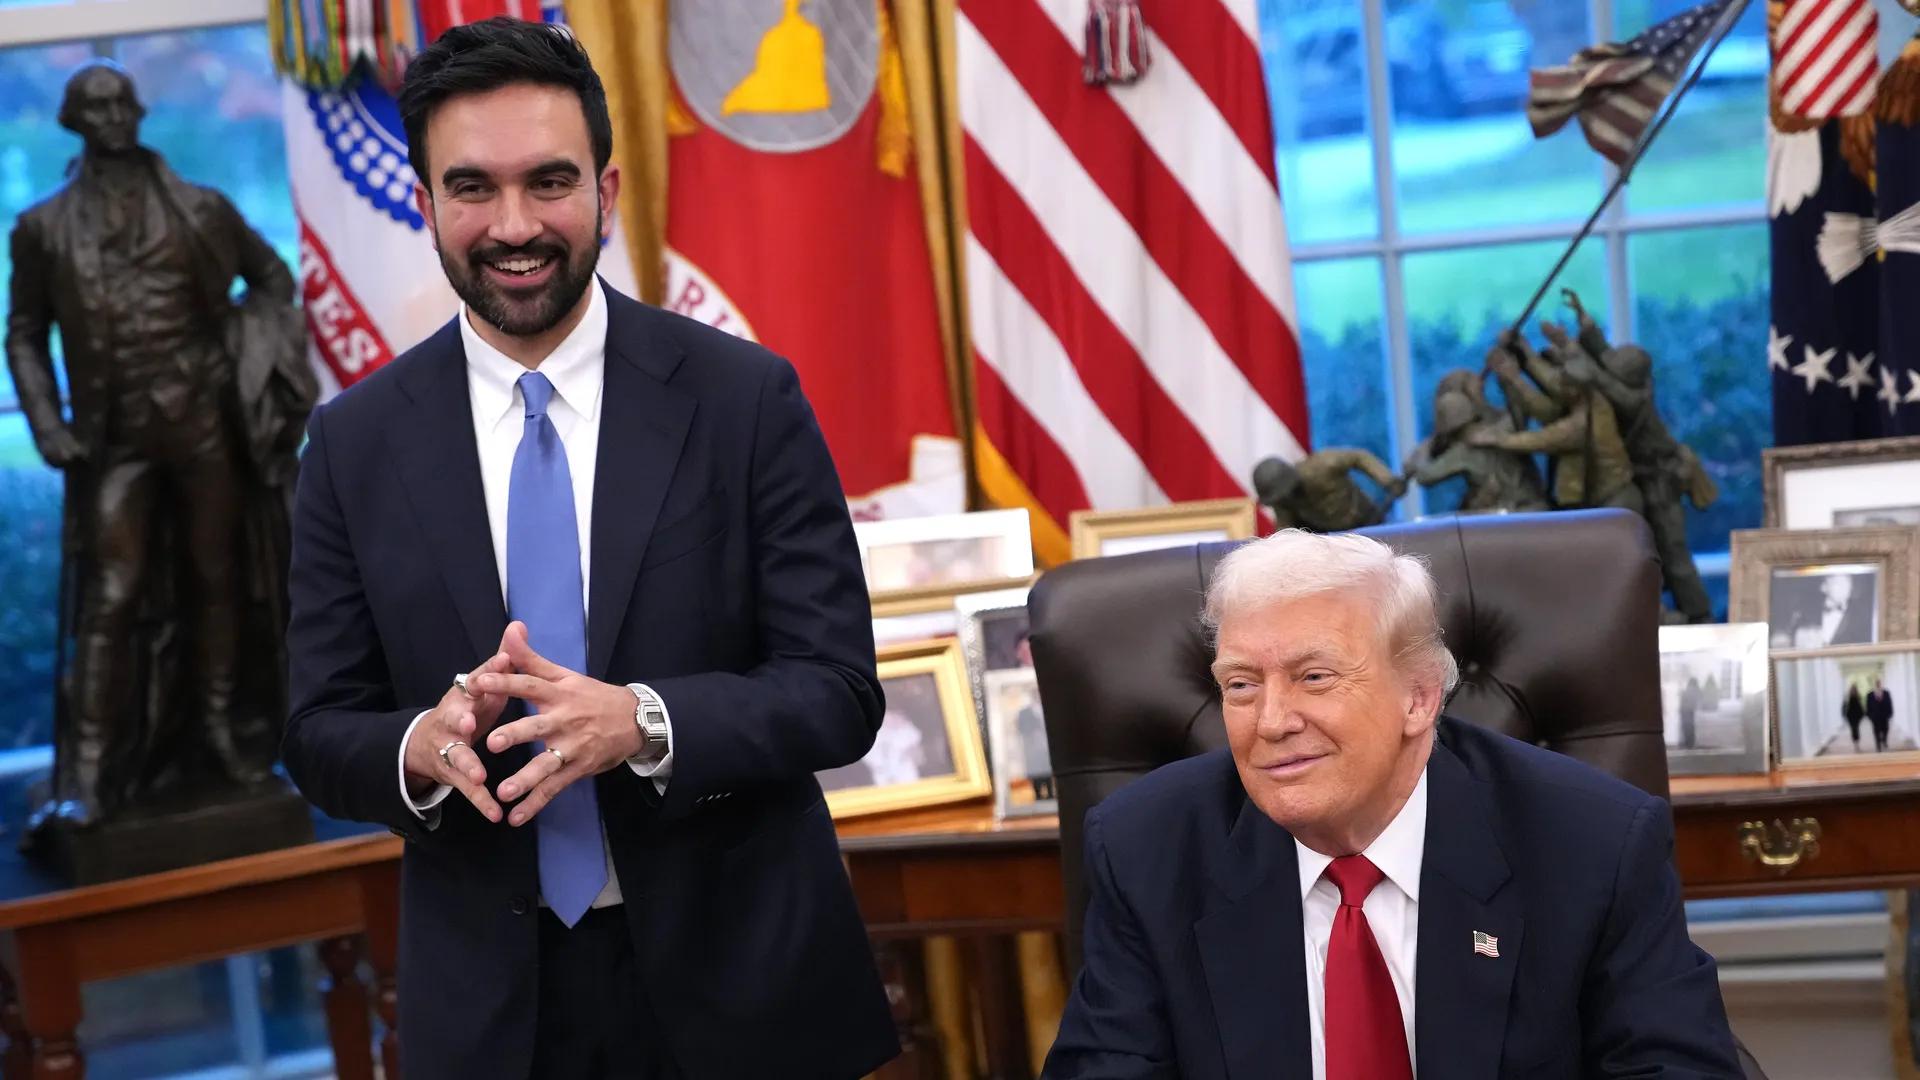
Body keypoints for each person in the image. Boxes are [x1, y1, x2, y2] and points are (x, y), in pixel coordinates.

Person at [280, 19, 895, 1078]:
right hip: (491, 1013)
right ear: (425, 205)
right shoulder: (352, 444)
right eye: (472, 188)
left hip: (747, 988)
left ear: (606, 191)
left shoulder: (745, 399)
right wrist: (419, 746)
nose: (514, 225)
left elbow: (838, 691)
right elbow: (316, 727)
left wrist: (642, 722)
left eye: (549, 182)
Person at [1044, 530, 1740, 1078]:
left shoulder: (1592, 843)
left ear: (1419, 698)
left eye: (1314, 677)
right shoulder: (1147, 852)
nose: (1272, 722)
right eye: (1241, 685)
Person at [6, 61, 311, 826]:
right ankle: (88, 772)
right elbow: (24, 334)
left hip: (205, 428)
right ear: (74, 121)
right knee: (111, 596)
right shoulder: (43, 228)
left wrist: (246, 359)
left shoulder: (201, 209)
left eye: (122, 103)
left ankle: (223, 732)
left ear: (139, 111)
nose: (113, 117)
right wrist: (47, 425)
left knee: (218, 579)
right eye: (96, 107)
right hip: (113, 443)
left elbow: (273, 281)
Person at [1868, 678, 1895, 753]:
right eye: (1876, 683)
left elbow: (1889, 703)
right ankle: (1878, 745)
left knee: (1885, 729)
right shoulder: (1870, 694)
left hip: (1884, 715)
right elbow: (1868, 706)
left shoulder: (1886, 693)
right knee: (1876, 731)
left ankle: (1884, 740)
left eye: (1879, 683)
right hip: (1875, 716)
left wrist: (1890, 713)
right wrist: (1870, 716)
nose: (1878, 684)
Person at [1679, 676, 1701, 749]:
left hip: (1684, 711)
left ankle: (1686, 743)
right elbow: (1696, 701)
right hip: (1690, 711)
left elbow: (1682, 700)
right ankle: (1690, 743)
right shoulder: (1696, 690)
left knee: (1685, 727)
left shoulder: (1686, 690)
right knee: (1690, 727)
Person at [1845, 684, 1867, 751]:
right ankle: (1855, 743)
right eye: (1853, 689)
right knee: (1853, 729)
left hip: (1857, 716)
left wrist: (1862, 714)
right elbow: (1846, 707)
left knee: (1856, 729)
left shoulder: (1858, 696)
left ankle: (1857, 743)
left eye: (1854, 689)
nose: (1853, 691)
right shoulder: (1848, 697)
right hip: (1851, 716)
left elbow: (1860, 706)